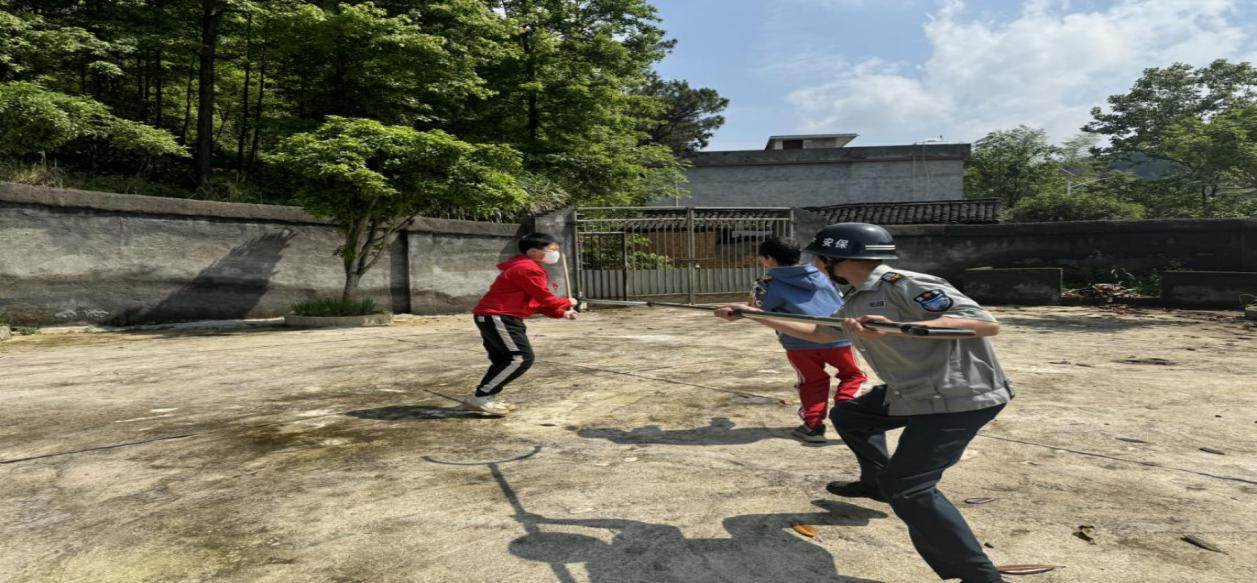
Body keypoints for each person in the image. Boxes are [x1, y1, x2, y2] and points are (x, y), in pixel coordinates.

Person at [716, 223, 1015, 583]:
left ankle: (981, 577)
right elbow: (820, 332)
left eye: (819, 258)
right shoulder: (855, 298)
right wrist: (751, 313)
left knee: (908, 487)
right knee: (850, 416)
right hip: (909, 391)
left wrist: (901, 326)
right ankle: (875, 483)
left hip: (958, 396)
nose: (816, 265)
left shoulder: (907, 284)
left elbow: (983, 323)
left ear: (835, 259)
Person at [751, 237, 866, 444]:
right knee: (853, 375)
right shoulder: (824, 276)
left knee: (812, 381)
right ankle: (847, 406)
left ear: (768, 259)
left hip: (799, 341)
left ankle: (813, 426)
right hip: (837, 337)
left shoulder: (767, 284)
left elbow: (759, 310)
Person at [466, 232, 577, 416]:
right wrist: (567, 302)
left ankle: (486, 396)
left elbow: (537, 302)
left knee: (504, 360)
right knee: (520, 358)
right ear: (533, 251)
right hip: (499, 316)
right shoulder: (527, 269)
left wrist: (562, 312)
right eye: (552, 249)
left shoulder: (526, 266)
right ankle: (481, 397)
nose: (555, 254)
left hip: (496, 317)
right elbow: (545, 298)